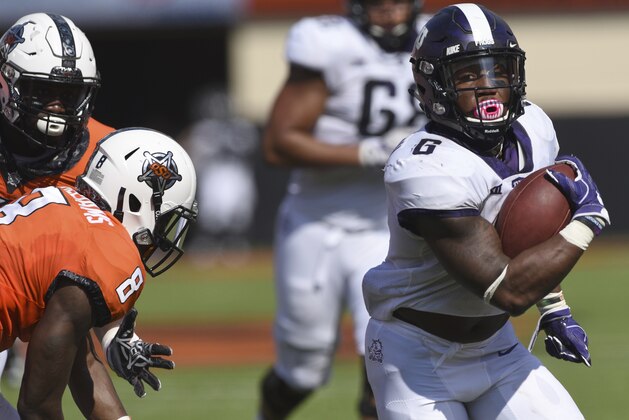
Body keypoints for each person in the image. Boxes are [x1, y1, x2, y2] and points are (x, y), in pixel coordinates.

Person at [362, 4, 609, 419]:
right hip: (417, 360)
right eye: (468, 75)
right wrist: (588, 219)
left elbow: (523, 238)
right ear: (431, 86)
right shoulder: (424, 166)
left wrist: (554, 307)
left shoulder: (533, 127)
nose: (490, 86)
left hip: (499, 349)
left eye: (499, 71)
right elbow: (507, 289)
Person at [256, 1, 429, 419]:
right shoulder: (329, 44)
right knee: (302, 372)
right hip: (317, 225)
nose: (389, 11)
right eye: (378, 2)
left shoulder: (435, 39)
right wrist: (368, 152)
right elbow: (279, 143)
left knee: (388, 359)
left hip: (389, 228)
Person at [0, 12, 176, 410]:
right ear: (7, 83)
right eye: (42, 91)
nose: (57, 107)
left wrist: (115, 332)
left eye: (70, 94)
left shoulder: (107, 157)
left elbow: (79, 277)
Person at [0, 127, 197, 419]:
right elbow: (37, 406)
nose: (163, 236)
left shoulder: (64, 203)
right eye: (166, 220)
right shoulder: (105, 252)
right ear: (136, 200)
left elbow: (81, 360)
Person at [179, 85, 258, 265]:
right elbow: (195, 152)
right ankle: (208, 246)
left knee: (237, 213)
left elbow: (250, 147)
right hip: (215, 172)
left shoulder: (241, 126)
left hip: (235, 170)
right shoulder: (203, 129)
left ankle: (234, 246)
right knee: (212, 213)